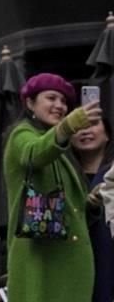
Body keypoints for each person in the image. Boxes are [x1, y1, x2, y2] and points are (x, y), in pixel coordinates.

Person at [4, 73, 102, 302]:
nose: (59, 105)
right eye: (51, 98)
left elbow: (68, 210)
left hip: (69, 265)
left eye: (64, 101)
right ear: (30, 103)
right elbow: (35, 153)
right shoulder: (22, 135)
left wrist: (91, 203)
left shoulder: (62, 151)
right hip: (41, 264)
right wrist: (67, 127)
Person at [72, 116, 114, 302]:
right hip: (77, 273)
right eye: (78, 126)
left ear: (107, 135)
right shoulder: (63, 176)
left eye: (94, 124)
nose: (85, 130)